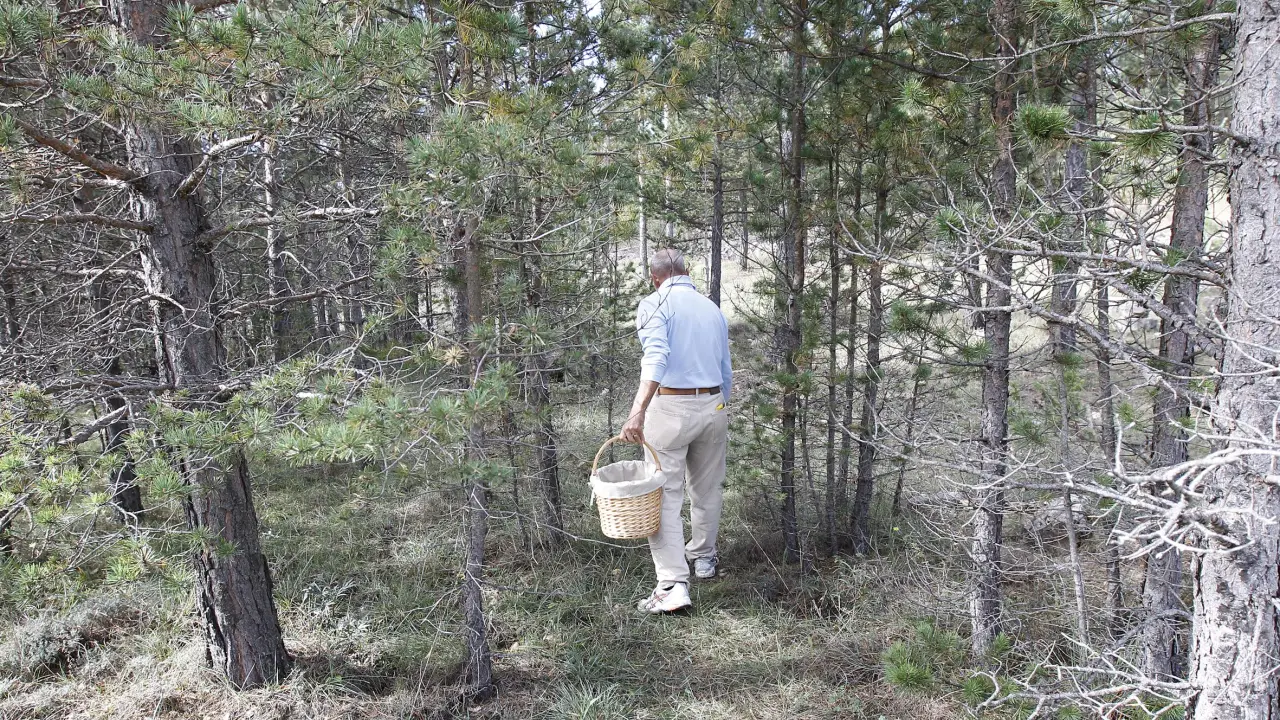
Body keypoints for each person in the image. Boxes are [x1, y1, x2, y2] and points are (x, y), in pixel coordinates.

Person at [620, 248, 732, 614]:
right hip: (714, 404)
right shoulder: (711, 309)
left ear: (655, 278)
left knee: (664, 494)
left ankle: (672, 584)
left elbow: (655, 357)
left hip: (669, 407)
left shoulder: (653, 304)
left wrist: (637, 411)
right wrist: (720, 405)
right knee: (707, 487)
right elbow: (725, 368)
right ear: (685, 271)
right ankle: (704, 557)